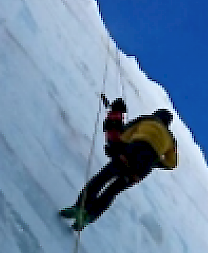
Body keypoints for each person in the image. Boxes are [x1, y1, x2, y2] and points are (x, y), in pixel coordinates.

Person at [60, 98, 178, 230]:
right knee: (113, 190)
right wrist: (154, 162)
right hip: (142, 168)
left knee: (102, 179)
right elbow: (172, 163)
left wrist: (118, 148)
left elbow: (123, 135)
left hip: (132, 151)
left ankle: (80, 208)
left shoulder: (147, 120)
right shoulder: (171, 140)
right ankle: (89, 216)